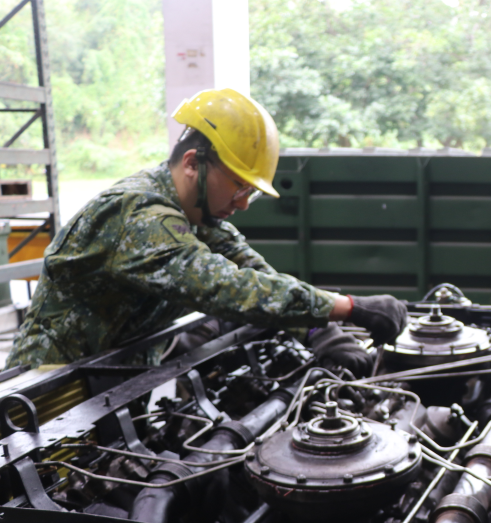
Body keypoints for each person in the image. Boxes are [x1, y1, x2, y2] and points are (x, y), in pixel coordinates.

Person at [5, 88, 406, 372]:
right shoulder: (138, 216)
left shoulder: (193, 212)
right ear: (193, 164)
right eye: (239, 187)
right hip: (50, 396)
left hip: (114, 380)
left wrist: (320, 327)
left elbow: (254, 273)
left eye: (251, 192)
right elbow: (228, 288)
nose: (243, 203)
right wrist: (349, 306)